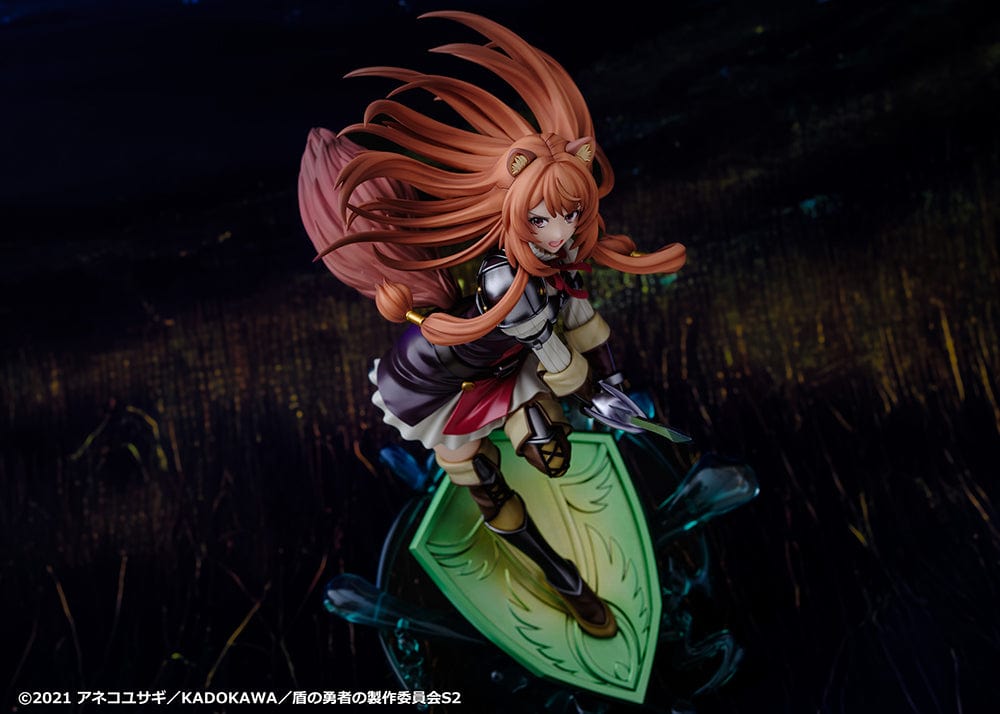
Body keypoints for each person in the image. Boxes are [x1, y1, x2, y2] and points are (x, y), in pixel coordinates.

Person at [298, 11, 686, 638]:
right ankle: (564, 581)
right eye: (544, 220)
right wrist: (602, 393)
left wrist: (611, 381)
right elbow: (564, 366)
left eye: (571, 214)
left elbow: (583, 323)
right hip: (434, 386)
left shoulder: (550, 258)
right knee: (488, 480)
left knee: (551, 453)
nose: (561, 233)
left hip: (504, 365)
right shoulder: (508, 282)